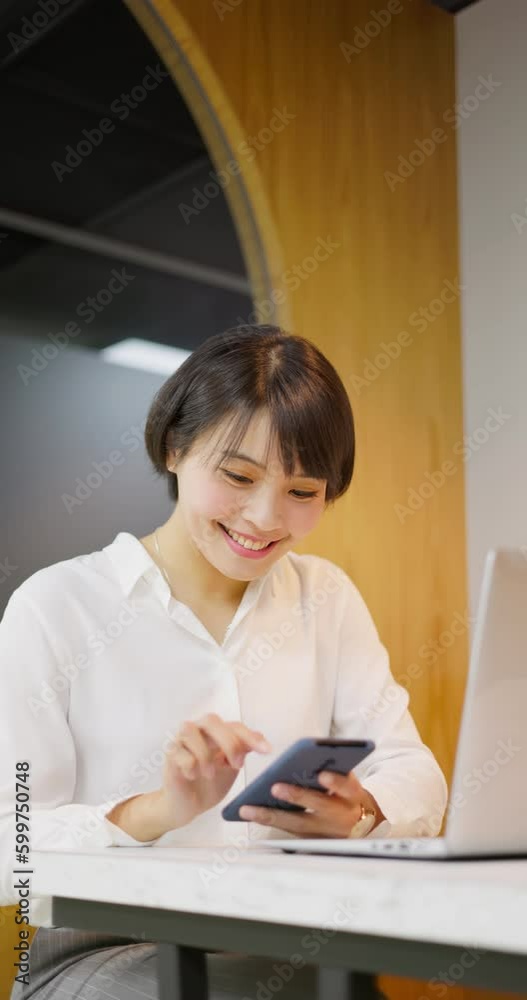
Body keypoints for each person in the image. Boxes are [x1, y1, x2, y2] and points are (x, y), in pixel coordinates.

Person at [2, 324, 447, 1000]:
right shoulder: (59, 605)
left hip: (284, 948)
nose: (264, 517)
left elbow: (415, 774)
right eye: (237, 476)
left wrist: (359, 813)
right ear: (176, 447)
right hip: (102, 954)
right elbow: (13, 844)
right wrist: (157, 810)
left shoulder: (323, 597)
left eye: (302, 492)